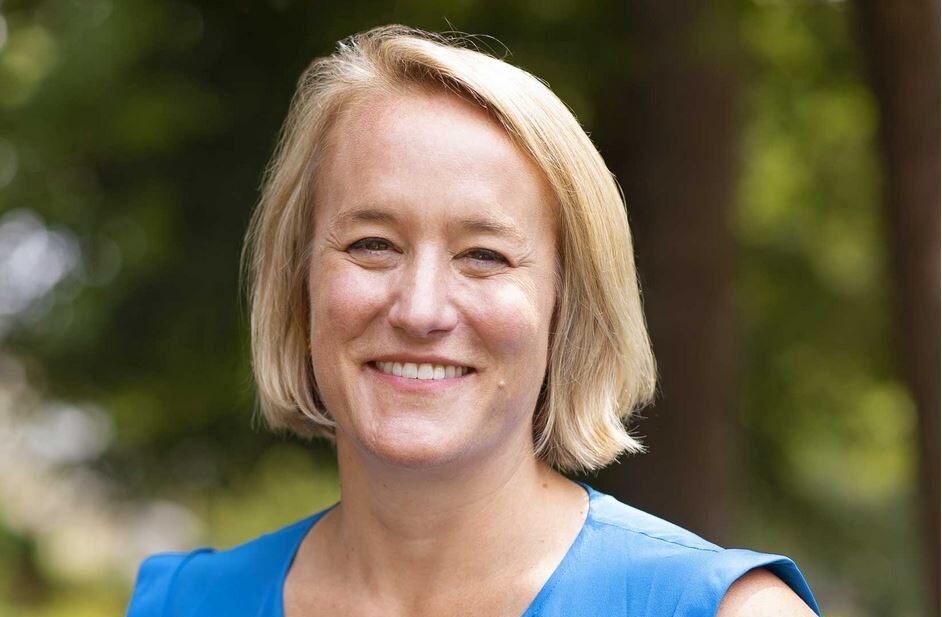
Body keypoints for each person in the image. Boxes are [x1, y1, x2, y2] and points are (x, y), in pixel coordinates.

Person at [126, 25, 821, 617]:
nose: (420, 308)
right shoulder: (181, 603)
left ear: (566, 306)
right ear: (299, 281)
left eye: (483, 255)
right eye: (372, 244)